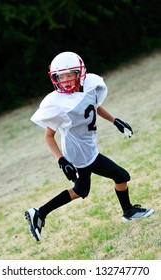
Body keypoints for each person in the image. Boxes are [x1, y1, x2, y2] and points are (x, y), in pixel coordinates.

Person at [25, 51, 154, 241]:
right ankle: (128, 211)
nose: (66, 80)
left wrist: (115, 121)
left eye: (70, 75)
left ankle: (39, 213)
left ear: (80, 73)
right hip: (78, 154)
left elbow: (92, 106)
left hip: (88, 148)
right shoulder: (56, 104)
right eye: (61, 76)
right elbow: (49, 136)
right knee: (121, 175)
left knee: (81, 190)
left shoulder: (90, 86)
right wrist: (62, 161)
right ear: (55, 78)